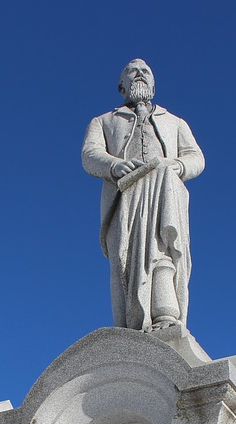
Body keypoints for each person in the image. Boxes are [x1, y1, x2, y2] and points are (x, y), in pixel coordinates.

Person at [82, 59, 205, 331]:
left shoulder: (174, 121)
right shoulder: (104, 121)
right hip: (126, 195)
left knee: (164, 249)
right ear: (121, 85)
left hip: (165, 189)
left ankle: (165, 313)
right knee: (126, 261)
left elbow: (196, 157)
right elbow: (89, 155)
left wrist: (178, 166)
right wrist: (113, 165)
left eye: (145, 72)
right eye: (132, 71)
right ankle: (131, 327)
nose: (139, 75)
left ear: (153, 82)